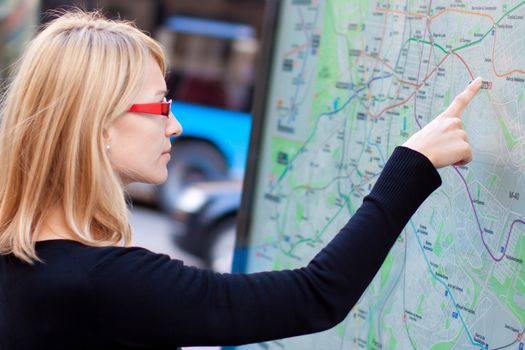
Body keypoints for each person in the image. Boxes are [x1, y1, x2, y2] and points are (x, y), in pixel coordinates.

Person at [0, 10, 482, 350]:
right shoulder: (105, 283)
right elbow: (315, 296)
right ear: (100, 125)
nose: (176, 125)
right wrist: (412, 164)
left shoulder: (24, 262)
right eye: (161, 105)